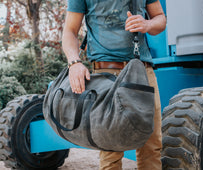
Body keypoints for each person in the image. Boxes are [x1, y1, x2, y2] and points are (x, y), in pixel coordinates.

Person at [62, 0, 166, 169]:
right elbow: (70, 31)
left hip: (142, 70)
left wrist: (147, 24)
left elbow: (160, 19)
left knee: (151, 144)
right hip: (106, 74)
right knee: (110, 148)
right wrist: (74, 62)